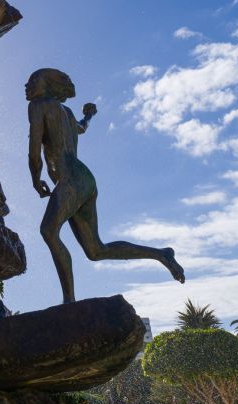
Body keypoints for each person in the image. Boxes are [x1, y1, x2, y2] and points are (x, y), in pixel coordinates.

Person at [26, 68, 184, 304]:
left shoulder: (38, 106)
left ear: (44, 85)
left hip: (70, 180)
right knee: (96, 250)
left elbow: (34, 151)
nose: (26, 86)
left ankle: (69, 301)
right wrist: (89, 115)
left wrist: (36, 180)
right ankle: (161, 254)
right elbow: (82, 127)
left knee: (49, 231)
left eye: (32, 81)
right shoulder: (66, 112)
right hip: (85, 179)